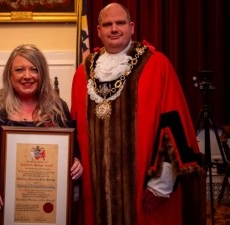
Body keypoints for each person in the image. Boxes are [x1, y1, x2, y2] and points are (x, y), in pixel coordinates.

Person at [71, 3, 205, 225]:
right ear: (98, 31)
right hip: (93, 192)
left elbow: (174, 127)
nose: (114, 29)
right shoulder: (82, 72)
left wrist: (160, 184)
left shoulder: (157, 65)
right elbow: (73, 131)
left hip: (143, 187)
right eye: (107, 24)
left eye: (120, 23)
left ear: (131, 27)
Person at [0, 44, 83, 225]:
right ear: (10, 74)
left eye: (34, 69)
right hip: (2, 204)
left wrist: (76, 161)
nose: (27, 76)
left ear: (42, 74)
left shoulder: (58, 108)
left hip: (49, 206)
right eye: (20, 69)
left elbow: (73, 147)